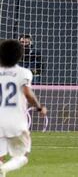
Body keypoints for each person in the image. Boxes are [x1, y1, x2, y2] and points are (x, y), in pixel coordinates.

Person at [0, 39, 47, 177]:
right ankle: (4, 169)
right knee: (22, 155)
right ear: (19, 56)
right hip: (16, 121)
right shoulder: (24, 72)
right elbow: (27, 93)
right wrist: (39, 107)